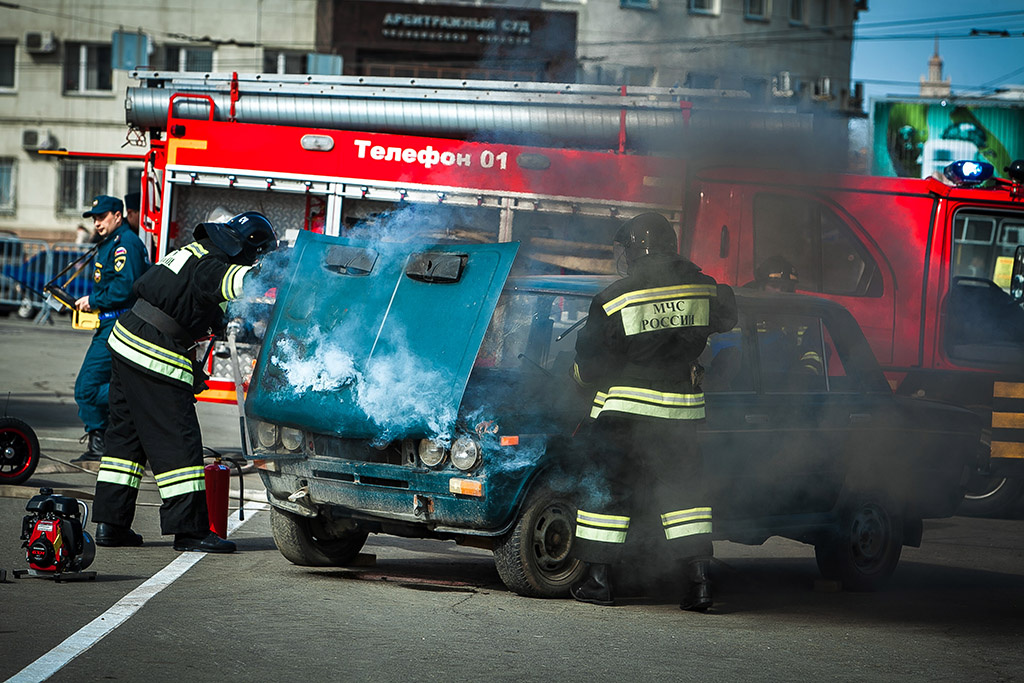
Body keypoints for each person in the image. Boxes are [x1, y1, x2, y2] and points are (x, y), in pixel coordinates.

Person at [569, 212, 737, 612]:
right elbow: (728, 315)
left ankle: (598, 582)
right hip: (680, 416)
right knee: (686, 500)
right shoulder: (704, 290)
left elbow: (590, 364)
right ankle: (699, 585)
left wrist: (575, 380)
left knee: (609, 492)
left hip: (624, 416)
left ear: (635, 250)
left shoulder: (613, 298)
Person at [91, 211, 278, 552]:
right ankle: (190, 531)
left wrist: (228, 323)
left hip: (125, 342)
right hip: (153, 353)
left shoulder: (194, 252)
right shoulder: (214, 264)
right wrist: (280, 268)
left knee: (125, 441)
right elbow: (243, 282)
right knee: (178, 441)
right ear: (250, 248)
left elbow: (195, 304)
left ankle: (111, 523)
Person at [71, 196, 150, 463]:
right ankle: (103, 439)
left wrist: (93, 300)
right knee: (93, 385)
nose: (96, 222)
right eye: (94, 217)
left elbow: (126, 286)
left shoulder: (124, 243)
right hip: (109, 321)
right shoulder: (111, 242)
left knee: (87, 387)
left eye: (102, 216)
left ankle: (101, 440)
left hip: (118, 323)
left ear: (118, 215)